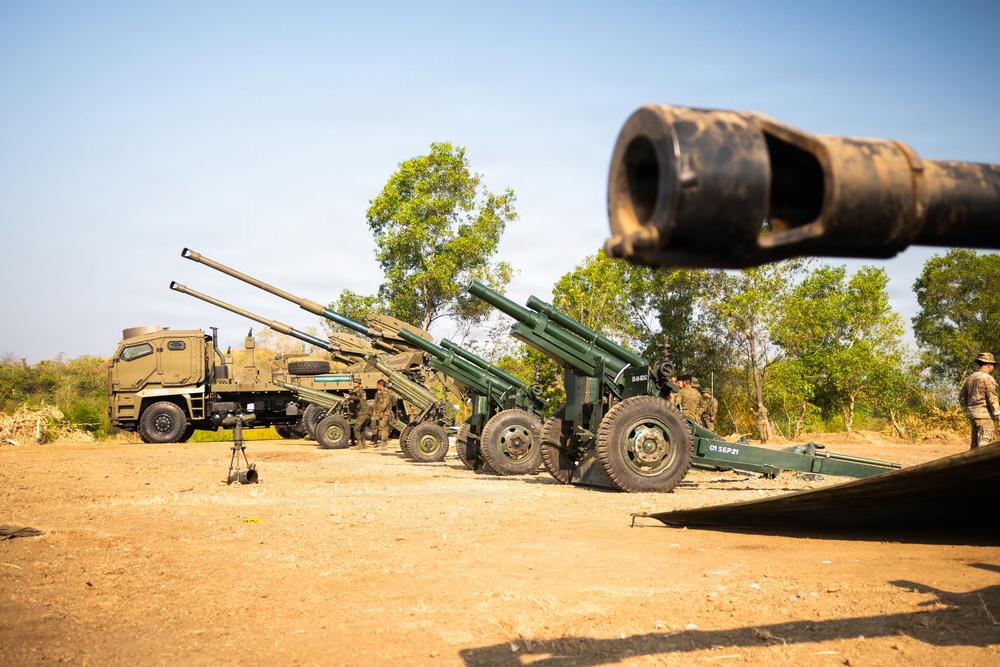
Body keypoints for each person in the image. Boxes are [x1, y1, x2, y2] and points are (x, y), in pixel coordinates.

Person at [958, 352, 1000, 449]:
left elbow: (961, 399)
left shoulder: (969, 378)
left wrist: (970, 409)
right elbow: (993, 400)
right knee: (984, 447)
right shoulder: (988, 379)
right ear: (989, 365)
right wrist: (999, 418)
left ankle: (972, 464)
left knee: (974, 446)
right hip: (985, 417)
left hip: (973, 416)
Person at [347, 376, 372, 449]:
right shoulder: (353, 392)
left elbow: (361, 399)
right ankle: (363, 445)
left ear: (359, 384)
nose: (354, 383)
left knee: (356, 428)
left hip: (364, 412)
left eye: (356, 382)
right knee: (361, 429)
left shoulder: (361, 392)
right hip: (361, 412)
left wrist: (350, 397)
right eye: (354, 382)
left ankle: (359, 445)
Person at [371, 379, 394, 449]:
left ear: (380, 385)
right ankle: (374, 440)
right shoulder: (380, 392)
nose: (376, 386)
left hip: (384, 413)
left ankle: (383, 444)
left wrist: (381, 411)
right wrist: (374, 410)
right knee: (375, 425)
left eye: (377, 385)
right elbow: (376, 402)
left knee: (382, 427)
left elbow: (385, 403)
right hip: (379, 412)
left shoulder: (385, 392)